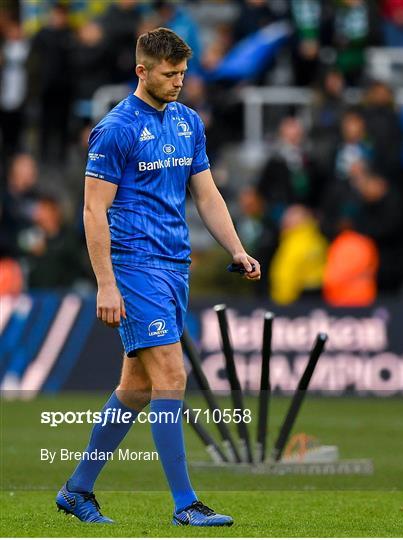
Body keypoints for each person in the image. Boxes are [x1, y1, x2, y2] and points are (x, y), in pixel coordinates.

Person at [55, 27, 260, 527]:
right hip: (133, 265)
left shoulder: (188, 121)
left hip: (174, 264)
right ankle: (185, 504)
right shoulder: (116, 128)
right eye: (169, 75)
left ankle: (76, 490)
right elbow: (92, 209)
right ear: (141, 71)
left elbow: (206, 194)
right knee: (172, 375)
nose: (178, 83)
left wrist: (236, 247)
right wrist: (106, 282)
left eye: (183, 74)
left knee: (138, 386)